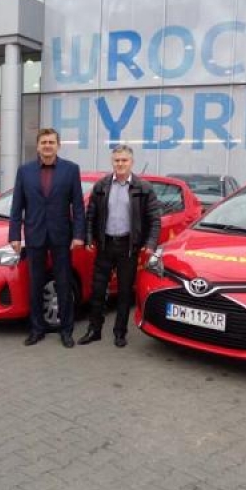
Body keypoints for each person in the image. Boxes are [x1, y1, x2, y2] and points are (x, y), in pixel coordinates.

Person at [78, 144, 161, 347]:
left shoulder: (144, 188)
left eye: (124, 160)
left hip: (128, 247)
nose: (120, 164)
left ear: (132, 162)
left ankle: (120, 332)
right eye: (117, 160)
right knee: (98, 291)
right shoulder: (101, 186)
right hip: (105, 245)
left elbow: (154, 219)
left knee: (124, 292)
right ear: (112, 162)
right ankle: (94, 330)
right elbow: (91, 215)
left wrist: (150, 243)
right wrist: (88, 238)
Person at [9, 128, 85, 348]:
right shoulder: (24, 171)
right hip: (34, 235)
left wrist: (78, 235)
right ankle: (36, 329)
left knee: (63, 283)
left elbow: (78, 206)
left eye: (51, 142)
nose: (47, 146)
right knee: (35, 283)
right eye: (44, 142)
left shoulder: (71, 170)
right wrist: (14, 235)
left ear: (58, 145)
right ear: (38, 146)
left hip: (62, 235)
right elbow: (17, 206)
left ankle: (66, 331)